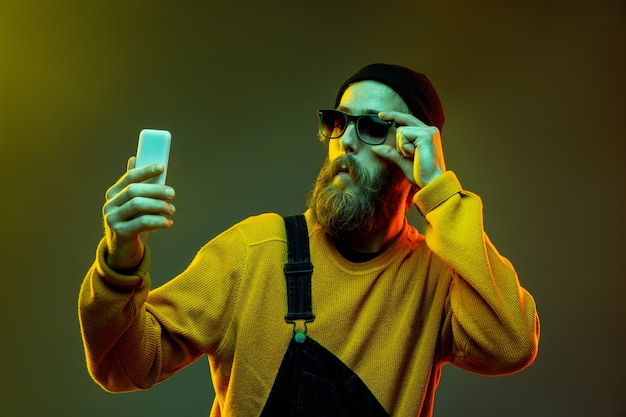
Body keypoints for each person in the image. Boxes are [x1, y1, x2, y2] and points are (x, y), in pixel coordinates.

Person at [79, 63, 540, 416]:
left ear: (413, 150)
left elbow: (511, 345)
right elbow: (123, 366)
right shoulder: (254, 251)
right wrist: (120, 260)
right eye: (339, 123)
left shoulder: (437, 280)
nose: (347, 143)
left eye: (374, 127)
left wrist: (440, 192)